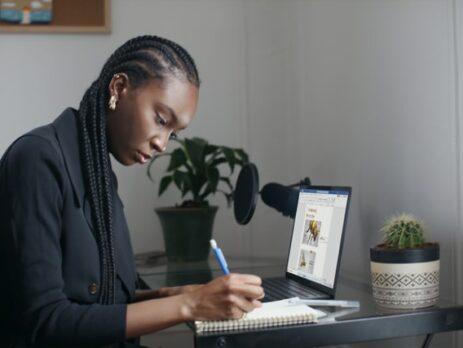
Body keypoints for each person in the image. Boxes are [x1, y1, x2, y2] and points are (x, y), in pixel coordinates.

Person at [0, 35, 264, 348]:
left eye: (173, 134)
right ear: (119, 88)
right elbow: (46, 321)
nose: (162, 144)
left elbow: (108, 298)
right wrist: (189, 306)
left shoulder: (99, 174)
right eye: (161, 119)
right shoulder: (37, 160)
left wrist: (183, 294)